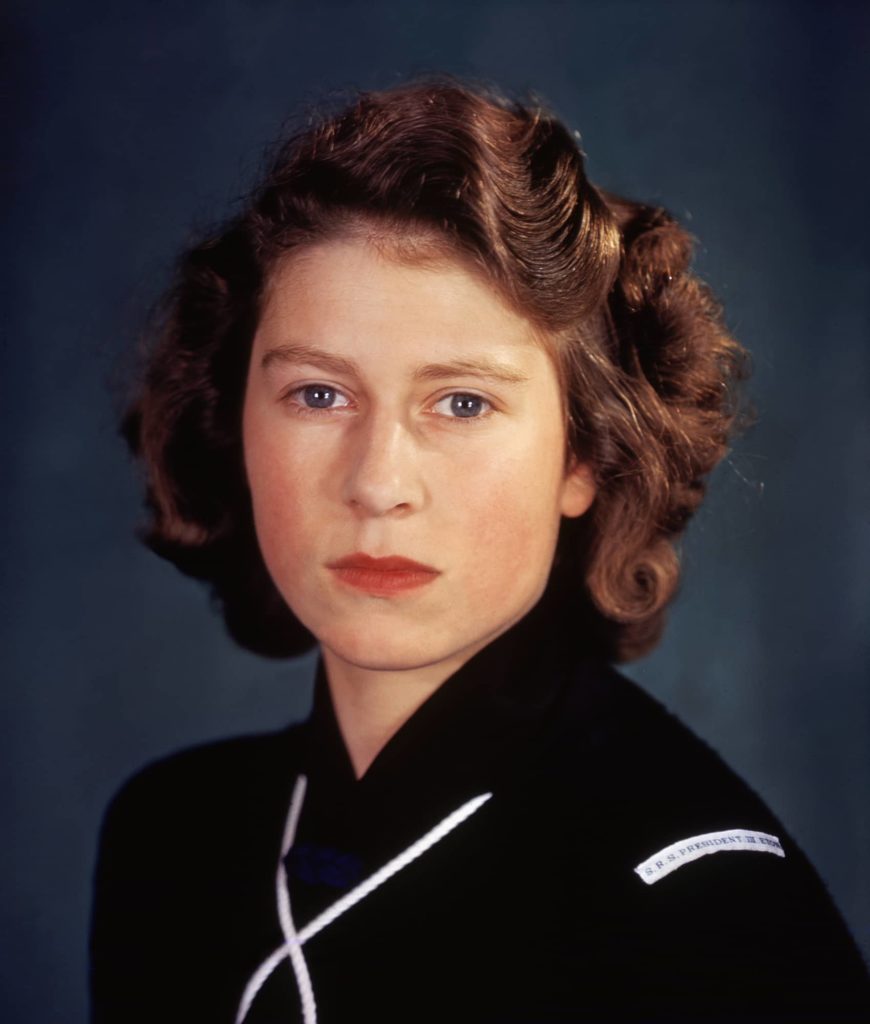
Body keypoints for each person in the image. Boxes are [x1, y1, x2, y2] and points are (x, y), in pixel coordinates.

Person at [89, 77, 870, 1023]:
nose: (378, 483)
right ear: (234, 422)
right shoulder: (173, 834)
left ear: (584, 454)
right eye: (318, 395)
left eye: (462, 403)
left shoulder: (702, 907)